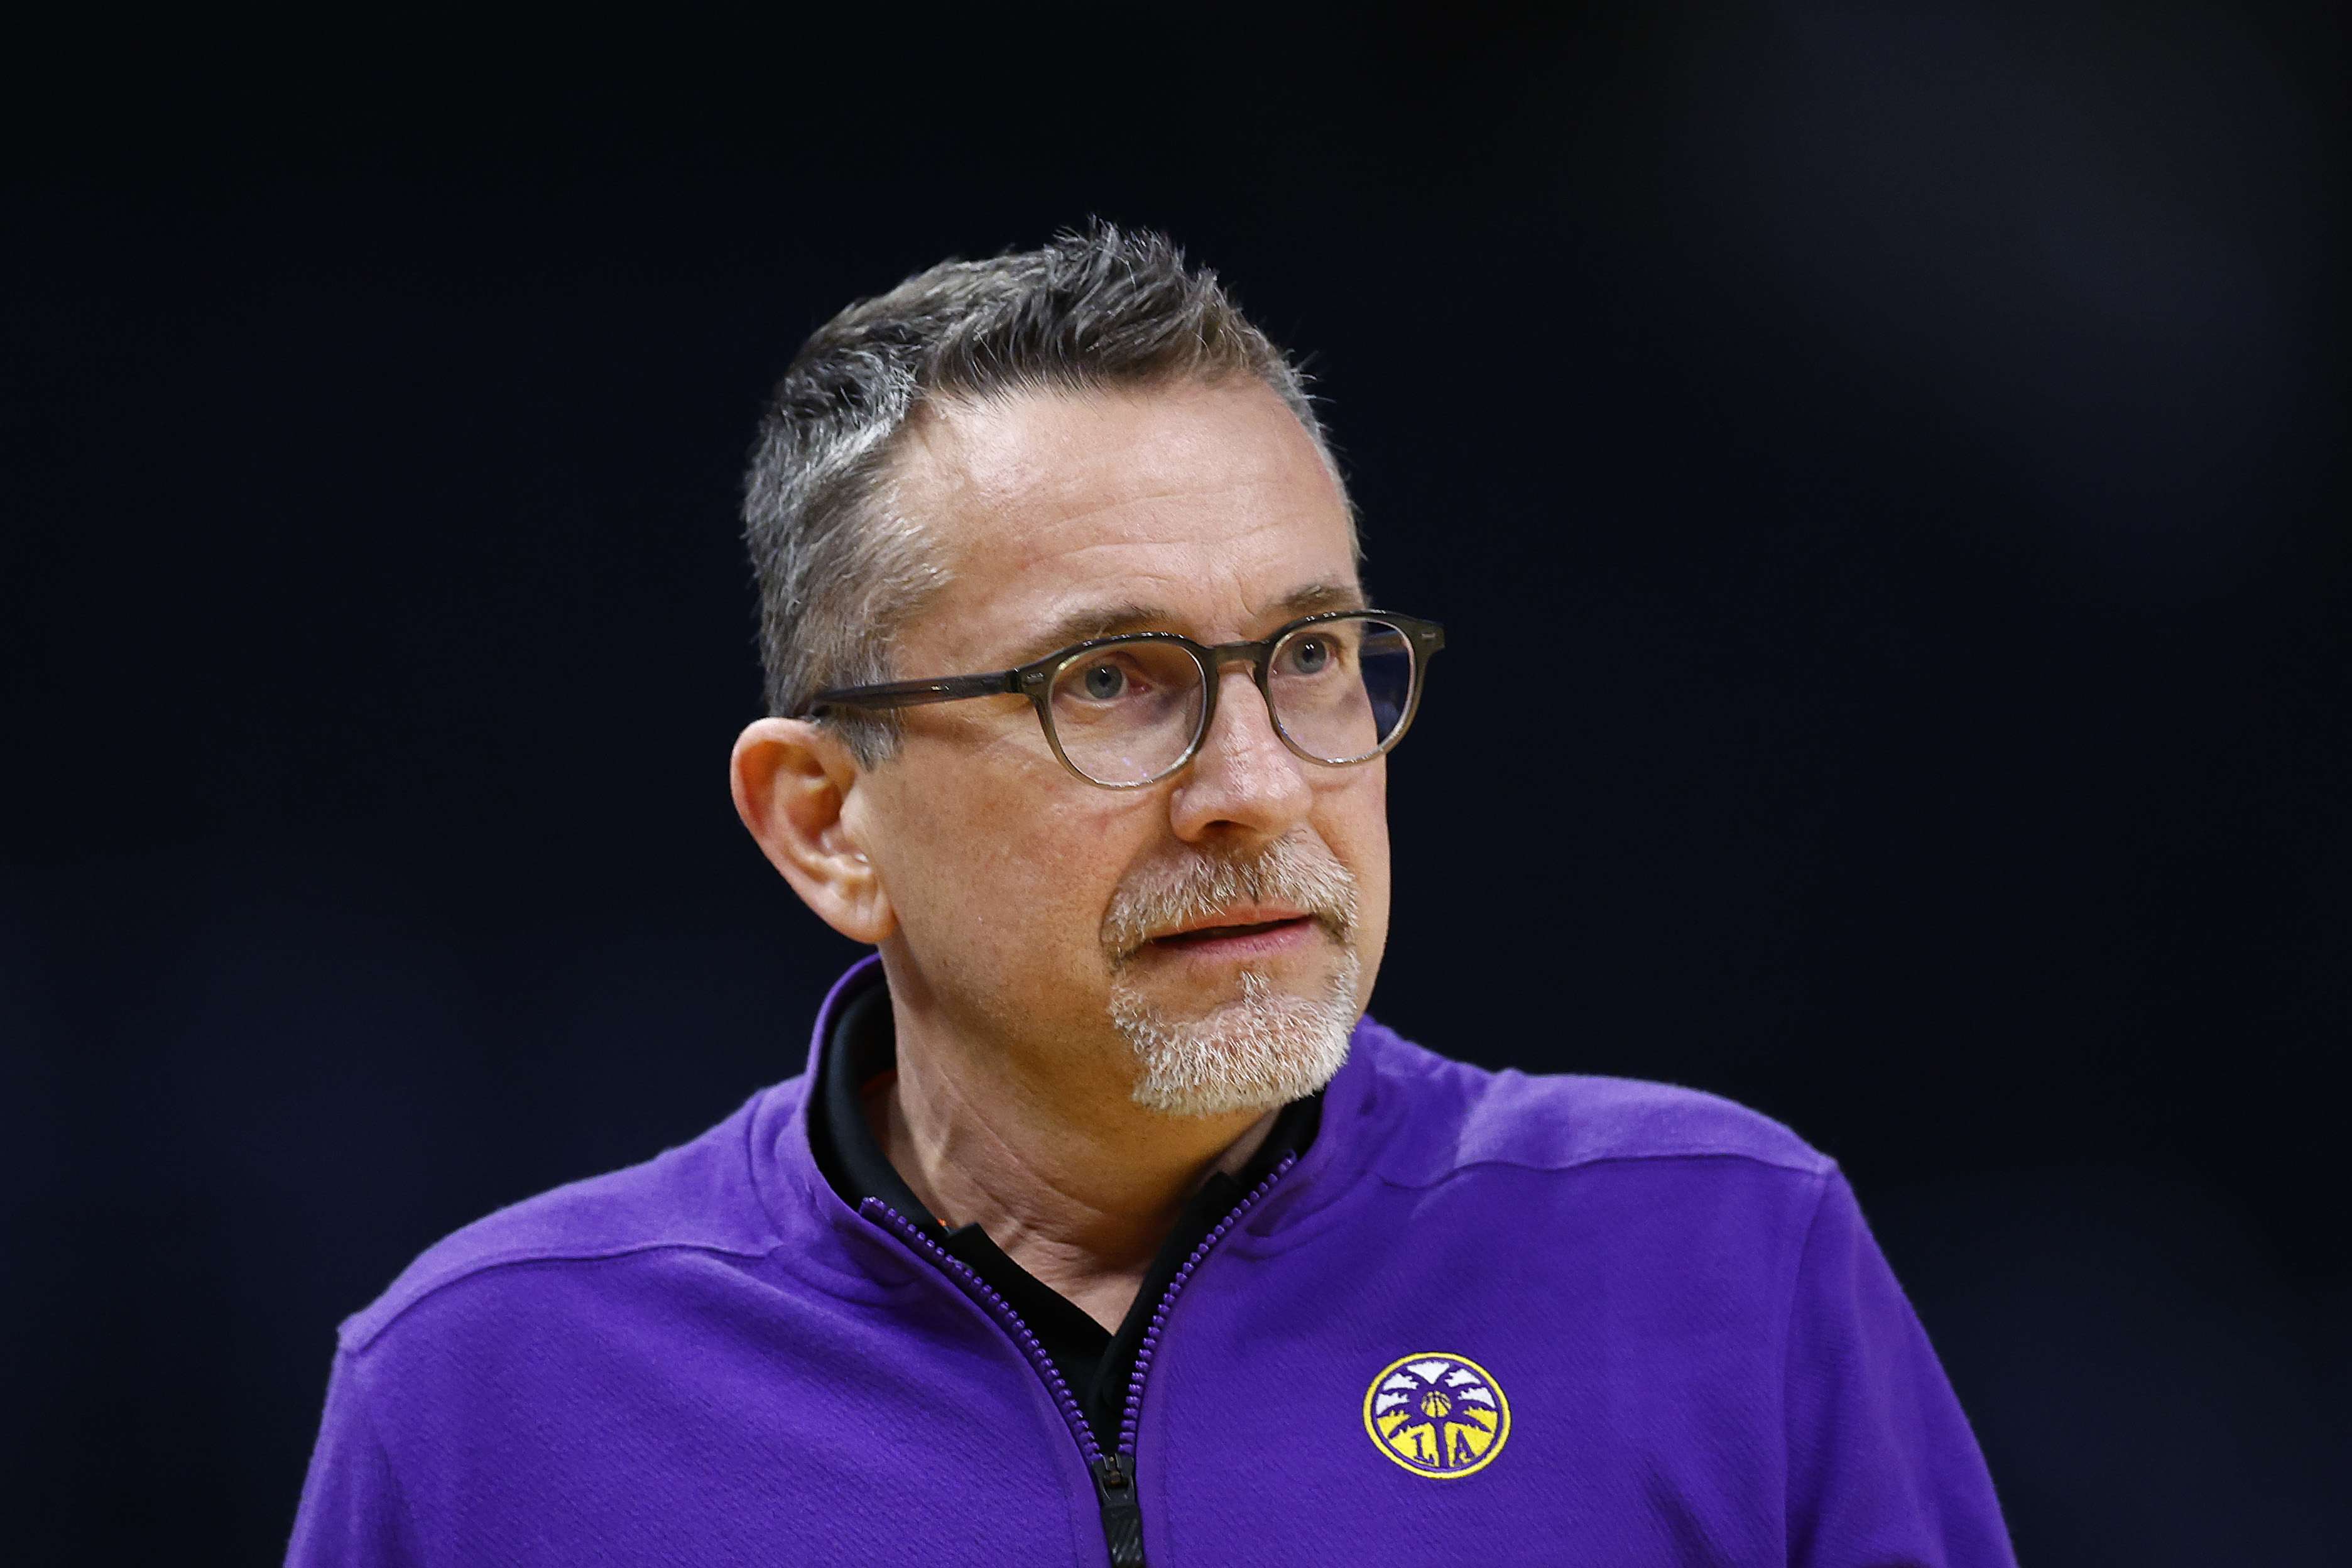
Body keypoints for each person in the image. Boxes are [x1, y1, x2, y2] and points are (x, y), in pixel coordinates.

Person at [287, 225, 2015, 1567]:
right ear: (827, 824)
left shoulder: (1721, 1257)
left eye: (1312, 656)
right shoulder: (485, 1393)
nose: (1256, 786)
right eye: (1110, 682)